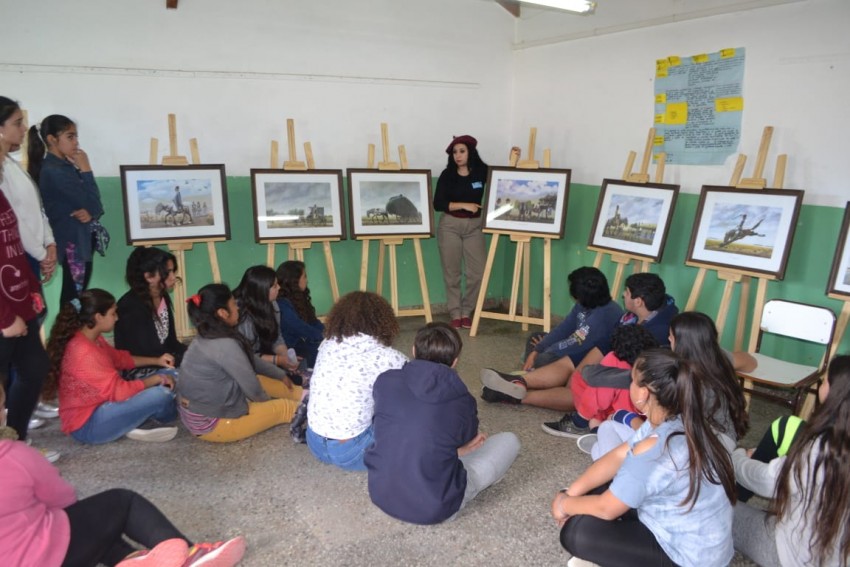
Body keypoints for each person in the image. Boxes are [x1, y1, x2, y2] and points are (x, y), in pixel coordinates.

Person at [0, 379, 246, 567]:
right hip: (50, 556)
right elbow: (63, 499)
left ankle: (133, 559)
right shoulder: (15, 455)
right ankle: (191, 556)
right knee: (120, 503)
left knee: (93, 525)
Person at [551, 349, 736, 567]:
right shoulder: (676, 419)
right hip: (696, 539)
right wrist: (571, 492)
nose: (629, 384)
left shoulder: (654, 447)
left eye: (632, 380)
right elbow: (618, 455)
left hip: (686, 558)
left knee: (576, 532)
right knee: (597, 490)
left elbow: (606, 508)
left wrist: (565, 504)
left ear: (644, 394)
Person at [365, 322, 520, 524]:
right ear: (455, 361)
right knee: (510, 441)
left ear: (413, 350)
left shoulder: (384, 381)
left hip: (380, 493)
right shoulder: (462, 399)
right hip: (434, 508)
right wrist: (458, 449)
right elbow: (469, 439)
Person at [584, 311, 754, 460]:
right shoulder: (717, 357)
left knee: (607, 431)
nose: (668, 339)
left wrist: (627, 418)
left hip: (688, 449)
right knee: (607, 443)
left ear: (681, 342)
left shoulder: (671, 371)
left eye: (671, 337)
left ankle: (612, 468)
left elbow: (660, 429)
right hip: (725, 444)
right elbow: (750, 362)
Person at [732, 354, 850, 567]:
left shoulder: (821, 450)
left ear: (834, 392)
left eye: (825, 381)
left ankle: (731, 497)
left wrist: (736, 456)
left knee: (715, 508)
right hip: (837, 554)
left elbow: (766, 481)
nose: (821, 384)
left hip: (791, 555)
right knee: (786, 427)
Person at [479, 266, 623, 411]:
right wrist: (538, 348)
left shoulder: (604, 316)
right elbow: (564, 328)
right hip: (572, 348)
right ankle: (529, 378)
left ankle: (528, 380)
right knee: (535, 338)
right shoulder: (584, 304)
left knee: (544, 358)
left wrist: (546, 351)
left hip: (582, 356)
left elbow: (579, 346)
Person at [45, 289, 179, 444]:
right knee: (161, 394)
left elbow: (120, 359)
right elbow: (120, 392)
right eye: (113, 313)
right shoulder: (83, 353)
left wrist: (157, 361)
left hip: (105, 405)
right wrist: (156, 378)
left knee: (172, 374)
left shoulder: (92, 338)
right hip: (88, 426)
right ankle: (158, 414)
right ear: (98, 317)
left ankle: (130, 421)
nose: (117, 318)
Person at [177, 283, 302, 443]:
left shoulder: (208, 335)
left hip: (201, 412)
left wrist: (280, 375)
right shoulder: (224, 344)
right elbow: (253, 388)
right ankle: (317, 411)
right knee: (285, 408)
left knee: (266, 381)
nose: (237, 308)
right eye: (233, 304)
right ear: (223, 313)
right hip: (213, 424)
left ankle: (305, 396)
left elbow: (250, 360)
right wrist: (269, 405)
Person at [306, 291, 407, 471]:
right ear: (383, 321)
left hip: (314, 443)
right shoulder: (389, 358)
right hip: (352, 451)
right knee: (410, 415)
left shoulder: (326, 344)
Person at [0, 140, 50, 445]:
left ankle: (15, 440)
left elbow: (14, 249)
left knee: (35, 367)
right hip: (5, 314)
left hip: (19, 301)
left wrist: (31, 286)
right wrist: (5, 318)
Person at [27, 114, 104, 305]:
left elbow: (92, 208)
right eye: (70, 137)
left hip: (79, 240)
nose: (76, 142)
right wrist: (86, 170)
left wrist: (90, 212)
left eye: (76, 136)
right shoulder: (55, 170)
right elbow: (95, 205)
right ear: (52, 139)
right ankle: (66, 335)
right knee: (73, 298)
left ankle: (69, 333)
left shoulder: (65, 166)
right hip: (73, 244)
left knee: (75, 295)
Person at [541, 324, 658, 438]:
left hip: (628, 416)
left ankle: (580, 423)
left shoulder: (616, 358)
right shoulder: (652, 363)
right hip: (631, 415)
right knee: (594, 384)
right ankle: (596, 429)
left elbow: (593, 378)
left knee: (588, 379)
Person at [433, 134, 488, 329]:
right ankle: (455, 313)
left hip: (474, 226)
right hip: (450, 226)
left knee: (478, 272)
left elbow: (502, 182)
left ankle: (467, 310)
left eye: (462, 151)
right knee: (452, 273)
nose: (458, 155)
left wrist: (513, 159)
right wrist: (464, 204)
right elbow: (438, 203)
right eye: (455, 152)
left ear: (470, 152)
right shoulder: (447, 175)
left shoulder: (481, 172)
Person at [0, 96, 57, 282]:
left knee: (36, 311)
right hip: (16, 256)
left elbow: (36, 209)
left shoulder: (11, 164)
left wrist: (50, 242)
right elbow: (13, 219)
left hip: (32, 253)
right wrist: (42, 255)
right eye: (18, 123)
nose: (24, 128)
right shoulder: (2, 171)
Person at [114, 246, 187, 367]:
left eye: (173, 271)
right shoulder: (130, 307)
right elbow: (145, 354)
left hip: (164, 362)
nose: (173, 277)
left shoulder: (162, 297)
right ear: (148, 277)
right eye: (167, 272)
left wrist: (192, 353)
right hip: (140, 370)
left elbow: (171, 342)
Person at [233, 265, 299, 375]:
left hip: (263, 358)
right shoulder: (241, 316)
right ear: (262, 290)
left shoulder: (272, 303)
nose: (279, 288)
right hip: (244, 367)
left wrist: (285, 356)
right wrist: (278, 360)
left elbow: (277, 337)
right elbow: (246, 356)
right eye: (274, 286)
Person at [276, 260, 324, 369]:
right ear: (294, 280)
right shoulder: (282, 303)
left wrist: (329, 331)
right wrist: (325, 335)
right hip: (292, 350)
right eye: (305, 277)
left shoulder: (300, 298)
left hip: (302, 345)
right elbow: (300, 328)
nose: (307, 281)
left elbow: (313, 322)